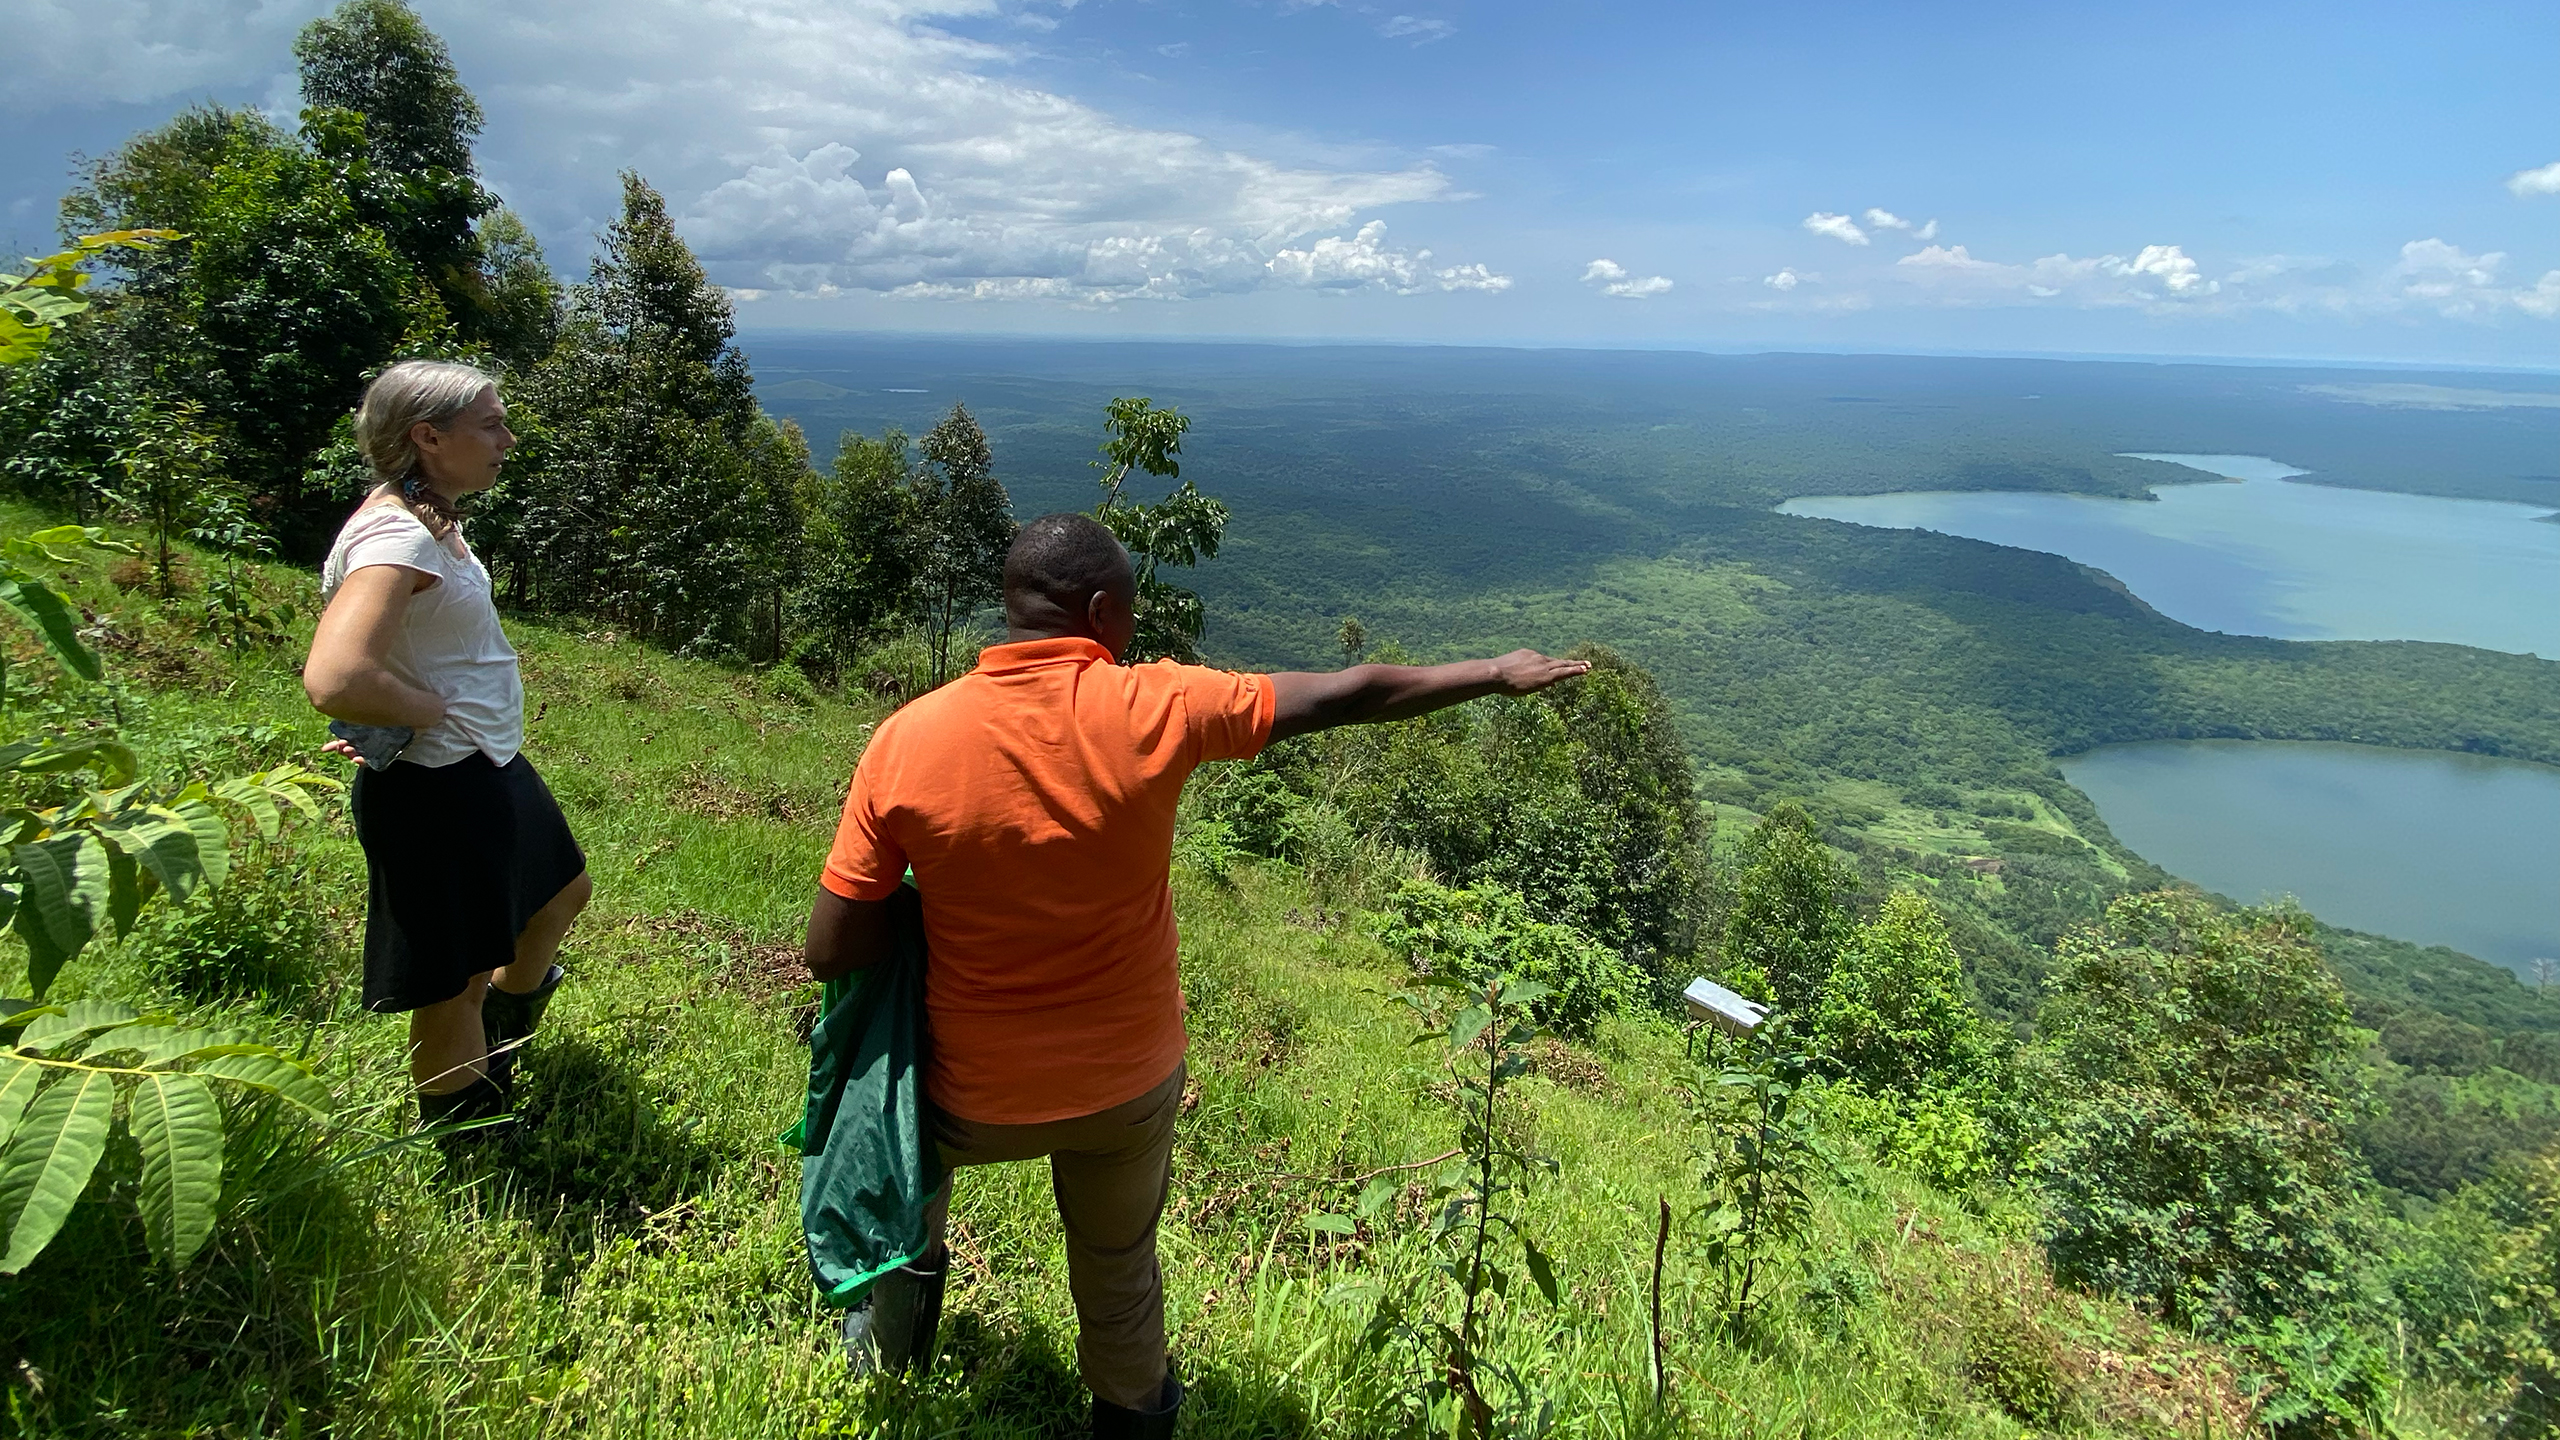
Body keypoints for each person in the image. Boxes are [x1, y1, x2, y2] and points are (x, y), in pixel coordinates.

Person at [803, 511, 1589, 1437]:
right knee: (1119, 1264)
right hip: (1125, 1087)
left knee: (909, 1192)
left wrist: (932, 906)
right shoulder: (1158, 706)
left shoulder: (907, 740)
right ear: (1102, 612)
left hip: (963, 1093)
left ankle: (890, 1358)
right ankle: (1131, 1415)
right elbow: (1345, 693)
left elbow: (831, 949)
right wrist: (1496, 673)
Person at [304, 360, 592, 1127]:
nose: (509, 438)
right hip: (439, 784)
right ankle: (469, 1129)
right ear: (428, 437)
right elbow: (335, 674)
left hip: (480, 766)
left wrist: (395, 714)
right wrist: (421, 710)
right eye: (490, 424)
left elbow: (395, 647)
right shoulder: (395, 536)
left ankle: (502, 1031)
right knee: (452, 980)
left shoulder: (423, 515)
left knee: (561, 889)